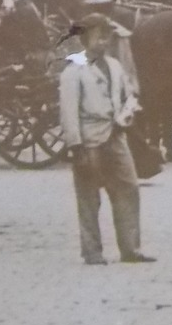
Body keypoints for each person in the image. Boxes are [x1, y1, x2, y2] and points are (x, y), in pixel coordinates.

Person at [57, 14, 154, 265]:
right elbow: (68, 111)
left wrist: (129, 108)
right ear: (85, 38)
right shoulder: (73, 71)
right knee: (89, 195)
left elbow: (126, 93)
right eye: (99, 36)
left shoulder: (113, 65)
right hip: (89, 139)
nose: (103, 41)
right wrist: (75, 146)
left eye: (107, 37)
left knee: (128, 187)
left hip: (115, 134)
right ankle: (92, 250)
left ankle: (130, 247)